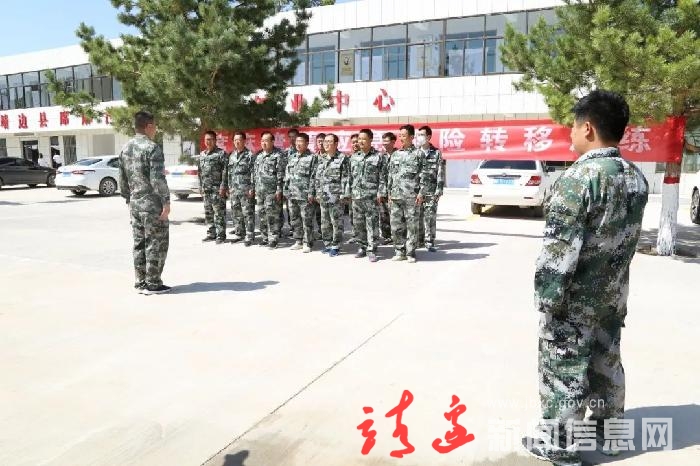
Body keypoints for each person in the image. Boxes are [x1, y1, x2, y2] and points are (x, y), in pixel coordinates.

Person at [523, 90, 649, 466]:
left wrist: (547, 301)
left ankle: (561, 447)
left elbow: (559, 253)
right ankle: (610, 433)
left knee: (564, 368)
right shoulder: (635, 177)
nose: (571, 134)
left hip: (575, 300)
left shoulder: (578, 179)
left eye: (574, 127)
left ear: (589, 128)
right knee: (606, 361)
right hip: (612, 295)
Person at [118, 110, 171, 295]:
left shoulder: (125, 148)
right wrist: (166, 202)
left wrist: (128, 198)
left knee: (139, 243)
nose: (155, 129)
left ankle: (140, 281)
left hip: (135, 205)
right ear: (148, 126)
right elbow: (157, 179)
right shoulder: (152, 148)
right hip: (151, 205)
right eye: (154, 126)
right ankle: (153, 283)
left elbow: (122, 179)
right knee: (156, 243)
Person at [387, 124, 424, 263]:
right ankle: (399, 251)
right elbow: (390, 175)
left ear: (411, 137)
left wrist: (421, 193)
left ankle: (410, 252)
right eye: (400, 135)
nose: (401, 138)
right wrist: (389, 193)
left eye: (404, 135)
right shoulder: (395, 154)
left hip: (411, 196)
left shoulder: (418, 154)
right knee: (396, 225)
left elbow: (424, 175)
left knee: (412, 225)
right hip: (396, 195)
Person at [348, 129, 386, 262]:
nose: (361, 141)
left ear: (370, 140)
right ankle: (362, 247)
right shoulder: (354, 157)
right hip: (356, 196)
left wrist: (381, 192)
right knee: (358, 223)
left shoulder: (378, 157)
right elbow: (350, 177)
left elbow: (383, 176)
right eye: (359, 139)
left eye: (363, 139)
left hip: (371, 196)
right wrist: (348, 192)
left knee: (372, 223)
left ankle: (372, 249)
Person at [313, 133, 350, 257]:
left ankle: (336, 245)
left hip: (336, 196)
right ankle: (328, 244)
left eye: (329, 141)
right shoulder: (321, 158)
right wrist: (317, 193)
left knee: (336, 222)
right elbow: (317, 178)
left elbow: (346, 178)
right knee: (325, 222)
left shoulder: (342, 158)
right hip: (323, 196)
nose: (326, 144)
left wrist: (344, 195)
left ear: (336, 144)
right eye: (325, 142)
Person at [284, 133, 318, 253]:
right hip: (292, 194)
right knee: (294, 218)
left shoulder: (312, 158)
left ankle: (307, 242)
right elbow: (287, 175)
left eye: (301, 141)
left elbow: (314, 177)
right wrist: (286, 189)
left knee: (306, 219)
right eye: (297, 141)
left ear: (307, 143)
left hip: (305, 195)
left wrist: (311, 192)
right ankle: (298, 240)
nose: (298, 144)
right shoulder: (292, 157)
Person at [223, 131, 257, 246]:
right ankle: (239, 233)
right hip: (234, 190)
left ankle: (249, 235)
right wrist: (228, 187)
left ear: (244, 141)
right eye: (235, 140)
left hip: (246, 190)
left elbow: (253, 173)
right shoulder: (231, 155)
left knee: (248, 213)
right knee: (236, 213)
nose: (237, 142)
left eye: (239, 140)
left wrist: (252, 188)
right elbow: (229, 173)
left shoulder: (250, 155)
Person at [416, 125, 445, 252]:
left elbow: (440, 172)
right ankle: (419, 240)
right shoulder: (415, 152)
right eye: (418, 135)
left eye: (422, 135)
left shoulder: (436, 153)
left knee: (430, 217)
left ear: (428, 136)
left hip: (431, 190)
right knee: (417, 216)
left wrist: (439, 190)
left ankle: (429, 241)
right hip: (417, 191)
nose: (419, 137)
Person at [253, 131, 285, 248]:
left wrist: (279, 190)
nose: (264, 143)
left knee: (272, 215)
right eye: (262, 141)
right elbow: (255, 173)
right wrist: (254, 187)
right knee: (262, 214)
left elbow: (281, 174)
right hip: (260, 190)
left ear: (272, 141)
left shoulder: (278, 155)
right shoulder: (259, 156)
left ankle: (273, 238)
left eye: (266, 141)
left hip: (272, 191)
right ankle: (265, 237)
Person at [198, 130, 228, 244]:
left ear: (215, 140)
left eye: (210, 139)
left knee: (219, 213)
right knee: (208, 212)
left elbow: (225, 171)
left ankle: (221, 235)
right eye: (207, 140)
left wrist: (223, 186)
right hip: (206, 189)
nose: (208, 142)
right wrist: (200, 185)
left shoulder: (221, 154)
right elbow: (200, 172)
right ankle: (211, 233)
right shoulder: (202, 154)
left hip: (217, 189)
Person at [379, 132, 397, 242]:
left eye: (387, 141)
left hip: (396, 190)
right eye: (383, 141)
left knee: (396, 215)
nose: (384, 143)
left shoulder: (399, 154)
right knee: (384, 215)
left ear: (393, 142)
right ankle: (386, 236)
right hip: (383, 190)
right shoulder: (381, 156)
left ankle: (397, 236)